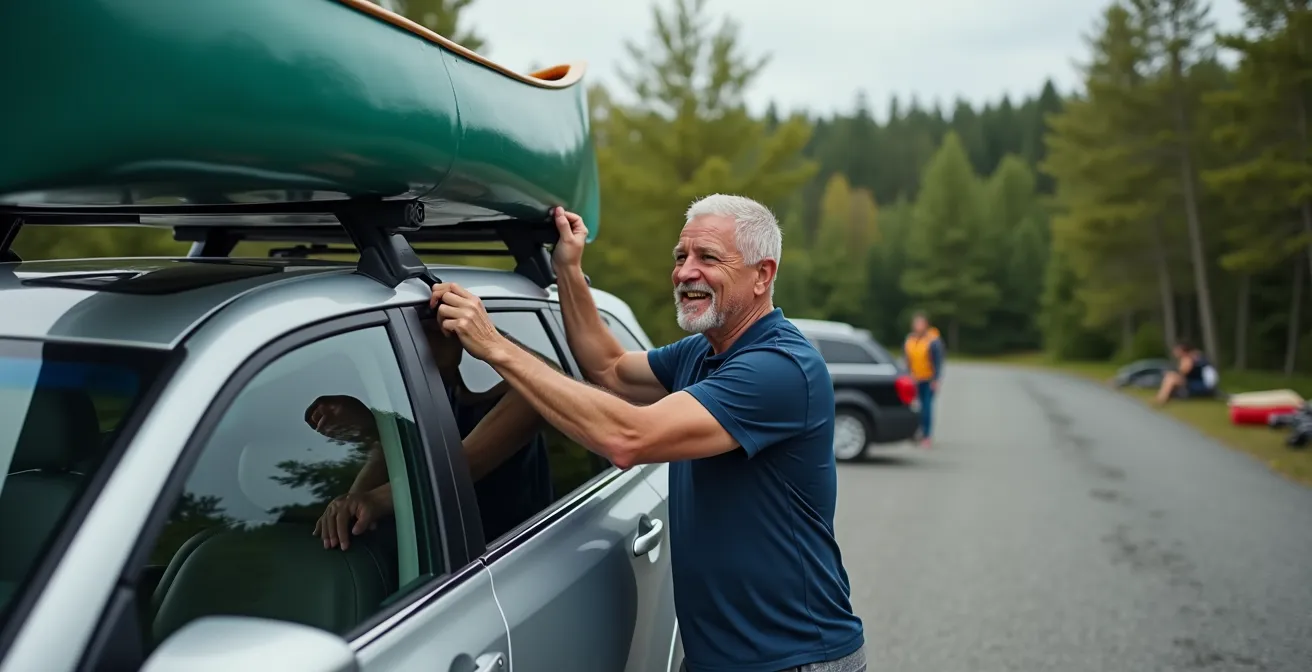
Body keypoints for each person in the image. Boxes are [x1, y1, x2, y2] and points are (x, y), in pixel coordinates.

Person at [431, 196, 866, 672]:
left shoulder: (781, 369)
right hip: (717, 659)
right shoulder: (702, 353)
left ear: (762, 275)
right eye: (681, 257)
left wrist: (494, 347)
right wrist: (569, 270)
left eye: (708, 258)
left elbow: (628, 438)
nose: (685, 273)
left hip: (794, 660)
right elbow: (608, 367)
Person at [305, 320, 553, 550]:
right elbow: (393, 455)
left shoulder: (514, 391)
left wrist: (378, 499)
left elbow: (464, 463)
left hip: (516, 553)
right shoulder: (423, 396)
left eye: (424, 326)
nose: (406, 344)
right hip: (448, 559)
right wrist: (375, 432)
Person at [903, 311, 944, 448]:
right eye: (916, 323)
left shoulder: (933, 341)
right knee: (916, 408)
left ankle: (927, 435)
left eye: (920, 323)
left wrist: (936, 379)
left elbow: (938, 361)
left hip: (928, 379)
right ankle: (917, 432)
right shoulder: (910, 340)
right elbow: (907, 360)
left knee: (926, 407)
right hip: (914, 378)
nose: (918, 326)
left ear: (926, 325)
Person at [1154, 341, 1218, 406]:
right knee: (1170, 377)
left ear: (1182, 350)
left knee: (1171, 379)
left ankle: (1161, 399)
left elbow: (1183, 373)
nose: (1175, 352)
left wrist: (1172, 374)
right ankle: (1161, 398)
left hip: (1201, 385)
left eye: (1177, 350)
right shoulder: (1194, 356)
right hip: (1198, 384)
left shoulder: (1188, 359)